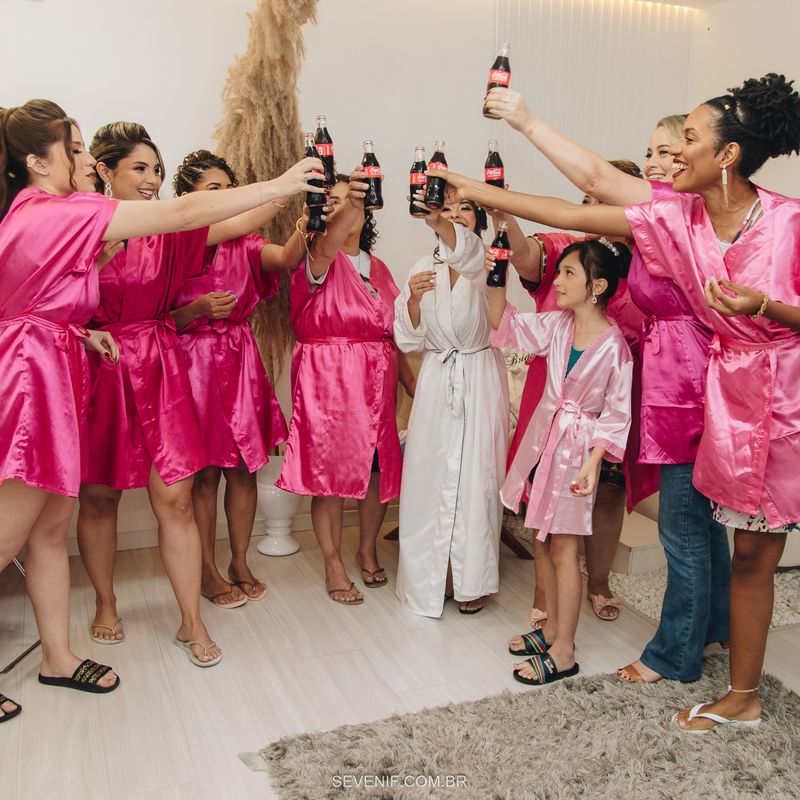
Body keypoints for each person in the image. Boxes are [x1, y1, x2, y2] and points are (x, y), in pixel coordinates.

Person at [447, 72, 800, 729]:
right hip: (720, 397)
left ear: (726, 155)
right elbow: (582, 205)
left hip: (782, 402)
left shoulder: (789, 223)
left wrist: (766, 306)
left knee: (750, 553)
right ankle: (738, 684)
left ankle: (731, 685)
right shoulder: (677, 219)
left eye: (686, 140)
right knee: (733, 549)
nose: (669, 157)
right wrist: (513, 138)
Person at [0, 99, 321, 717]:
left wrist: (81, 333)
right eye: (73, 150)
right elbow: (183, 209)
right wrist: (281, 181)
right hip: (32, 378)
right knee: (11, 530)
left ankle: (57, 657)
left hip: (56, 366)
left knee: (45, 532)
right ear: (37, 162)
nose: (83, 160)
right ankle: (82, 630)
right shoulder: (55, 210)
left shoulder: (47, 211)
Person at [485, 89, 732, 686]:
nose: (654, 162)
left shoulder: (678, 217)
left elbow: (581, 199)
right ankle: (709, 626)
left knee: (681, 526)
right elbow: (519, 299)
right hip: (660, 382)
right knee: (690, 524)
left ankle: (669, 648)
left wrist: (501, 157)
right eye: (647, 151)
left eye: (670, 149)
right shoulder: (646, 234)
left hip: (677, 383)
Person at [494, 159, 657, 638]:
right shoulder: (566, 283)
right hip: (556, 406)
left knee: (582, 519)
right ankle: (549, 619)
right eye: (589, 203)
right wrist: (500, 227)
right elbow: (508, 316)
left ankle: (567, 631)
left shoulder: (643, 268)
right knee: (543, 525)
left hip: (598, 412)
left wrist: (596, 454)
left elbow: (617, 412)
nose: (592, 211)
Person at [489, 239, 633, 684]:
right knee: (545, 541)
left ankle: (565, 651)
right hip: (545, 443)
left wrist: (593, 465)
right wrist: (496, 271)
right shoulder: (557, 325)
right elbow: (505, 323)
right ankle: (551, 628)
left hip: (577, 454)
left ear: (598, 286)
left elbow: (616, 415)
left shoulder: (615, 348)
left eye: (570, 273)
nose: (559, 281)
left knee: (566, 548)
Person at [171, 150, 308, 605]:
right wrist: (195, 310)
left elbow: (286, 257)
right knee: (206, 476)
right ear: (188, 196)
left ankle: (239, 560)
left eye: (230, 190)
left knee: (246, 470)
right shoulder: (177, 239)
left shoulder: (244, 243)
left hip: (240, 360)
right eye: (214, 190)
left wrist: (309, 221)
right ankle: (207, 570)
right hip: (194, 364)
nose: (226, 199)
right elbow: (152, 317)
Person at [277, 171, 415, 604]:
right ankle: (333, 563)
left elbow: (392, 333)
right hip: (329, 380)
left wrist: (413, 386)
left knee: (375, 471)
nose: (339, 207)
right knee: (330, 477)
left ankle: (367, 548)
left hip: (377, 379)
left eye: (347, 200)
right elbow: (325, 243)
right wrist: (347, 203)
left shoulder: (379, 268)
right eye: (331, 202)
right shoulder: (316, 258)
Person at [394, 188, 508, 617]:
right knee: (429, 474)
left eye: (465, 210)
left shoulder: (487, 266)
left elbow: (469, 254)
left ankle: (470, 578)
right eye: (449, 209)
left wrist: (439, 220)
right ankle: (431, 574)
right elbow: (406, 338)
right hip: (437, 377)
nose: (456, 215)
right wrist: (413, 300)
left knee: (477, 476)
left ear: (477, 224)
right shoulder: (423, 268)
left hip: (478, 378)